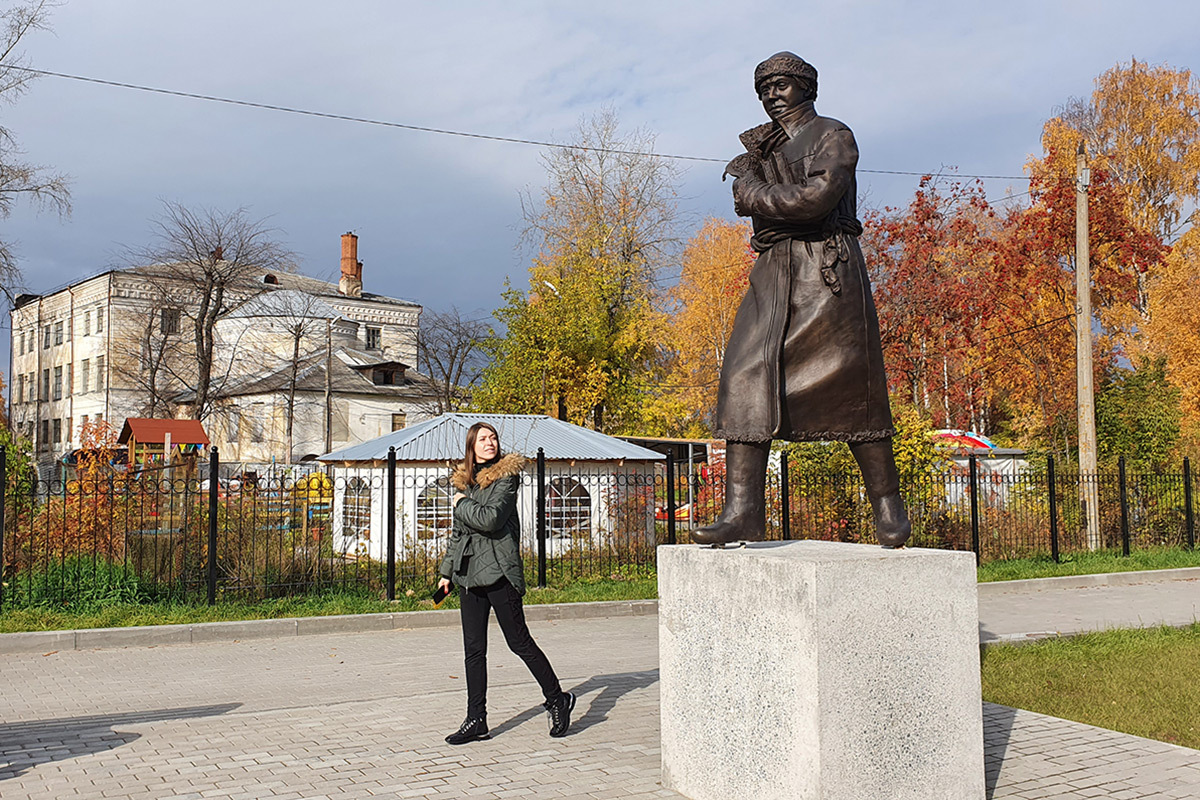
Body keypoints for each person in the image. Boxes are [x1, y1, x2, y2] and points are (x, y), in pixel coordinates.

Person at [694, 51, 911, 548]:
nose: (772, 94)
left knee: (854, 386)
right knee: (743, 373)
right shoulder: (764, 147)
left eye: (782, 85)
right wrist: (762, 193)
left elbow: (816, 200)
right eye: (764, 88)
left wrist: (753, 195)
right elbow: (782, 208)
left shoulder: (833, 135)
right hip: (774, 272)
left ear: (806, 88)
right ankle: (743, 510)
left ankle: (888, 507)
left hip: (824, 269)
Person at [437, 422, 576, 744]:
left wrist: (460, 504)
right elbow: (459, 534)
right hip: (469, 575)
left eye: (493, 438)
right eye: (483, 439)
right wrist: (446, 573)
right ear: (471, 447)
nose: (490, 443)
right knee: (473, 650)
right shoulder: (467, 482)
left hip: (500, 571)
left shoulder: (506, 477)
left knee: (519, 642)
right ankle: (476, 720)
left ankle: (557, 698)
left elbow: (490, 519)